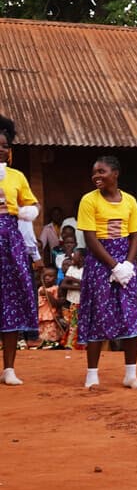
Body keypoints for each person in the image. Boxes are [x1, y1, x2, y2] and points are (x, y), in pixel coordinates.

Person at [77, 156, 137, 389]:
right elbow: (90, 237)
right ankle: (92, 374)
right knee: (98, 313)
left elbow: (136, 235)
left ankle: (131, 375)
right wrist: (113, 266)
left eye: (102, 171)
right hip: (100, 260)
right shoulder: (89, 200)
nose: (97, 176)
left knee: (129, 315)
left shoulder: (129, 201)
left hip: (126, 260)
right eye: (94, 172)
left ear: (115, 173)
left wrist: (127, 265)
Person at [0, 114, 40, 385]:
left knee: (10, 303)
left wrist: (27, 211)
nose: (1, 149)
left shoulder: (17, 176)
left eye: (4, 145)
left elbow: (33, 205)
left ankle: (10, 369)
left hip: (9, 243)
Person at [60, 248, 85, 350]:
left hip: (83, 302)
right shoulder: (72, 268)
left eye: (75, 255)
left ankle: (80, 345)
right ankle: (70, 344)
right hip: (73, 301)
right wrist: (80, 286)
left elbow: (87, 285)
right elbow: (64, 285)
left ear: (82, 258)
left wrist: (74, 280)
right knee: (73, 324)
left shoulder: (87, 269)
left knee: (81, 324)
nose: (72, 256)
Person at [37, 267, 64, 349]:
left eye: (50, 276)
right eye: (45, 276)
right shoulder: (40, 288)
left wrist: (48, 294)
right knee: (42, 336)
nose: (47, 278)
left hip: (51, 316)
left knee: (51, 336)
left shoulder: (56, 289)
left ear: (55, 278)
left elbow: (55, 304)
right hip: (41, 316)